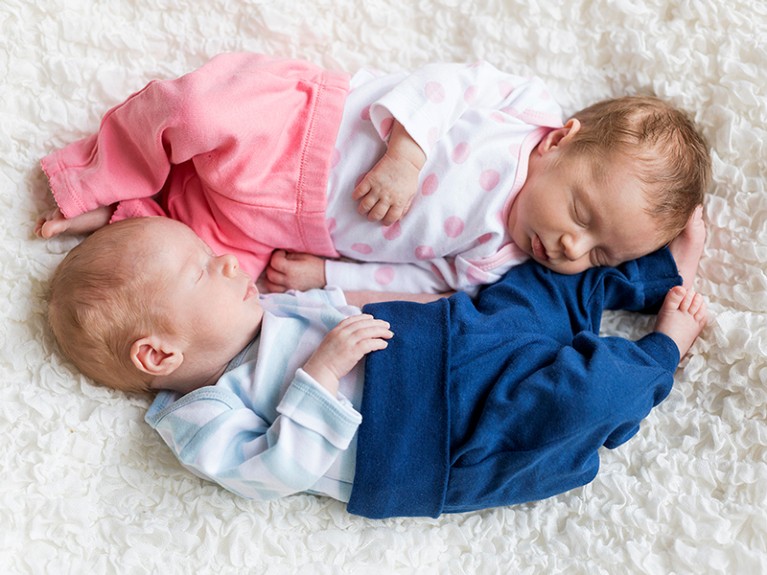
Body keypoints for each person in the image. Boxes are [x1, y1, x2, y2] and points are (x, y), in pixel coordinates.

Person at [44, 213, 707, 518]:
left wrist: (450, 305)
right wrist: (318, 377)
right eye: (200, 270)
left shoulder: (265, 306)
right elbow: (272, 473)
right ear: (159, 353)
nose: (224, 260)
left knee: (536, 287)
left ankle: (655, 275)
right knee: (572, 402)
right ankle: (661, 350)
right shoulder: (199, 415)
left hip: (447, 337)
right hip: (432, 442)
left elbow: (352, 298)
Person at [36, 52, 710, 295]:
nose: (570, 248)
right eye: (583, 217)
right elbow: (446, 84)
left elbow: (420, 281)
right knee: (198, 108)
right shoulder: (522, 111)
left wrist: (331, 275)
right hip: (302, 132)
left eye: (597, 255)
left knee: (202, 285)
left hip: (281, 227)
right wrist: (407, 154)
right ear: (562, 141)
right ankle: (98, 172)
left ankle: (120, 218)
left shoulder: (495, 257)